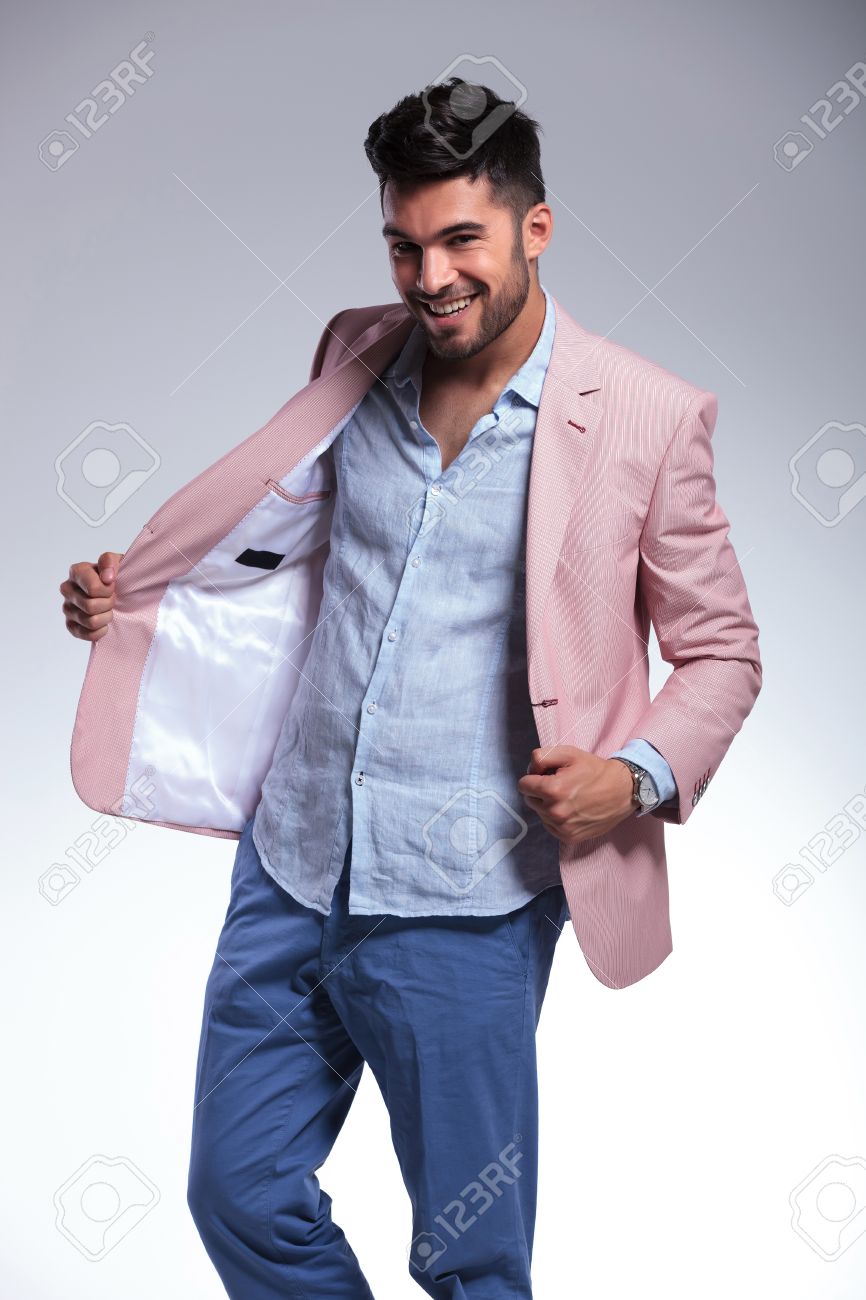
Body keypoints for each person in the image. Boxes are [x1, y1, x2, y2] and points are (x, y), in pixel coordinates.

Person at [59, 80, 762, 1298]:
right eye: (402, 243)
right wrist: (145, 592)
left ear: (532, 231)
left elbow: (722, 652)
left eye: (459, 242)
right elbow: (285, 537)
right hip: (293, 865)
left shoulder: (645, 419)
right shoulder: (357, 349)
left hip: (468, 904)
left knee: (469, 1258)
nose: (428, 276)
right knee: (240, 1193)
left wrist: (632, 776)